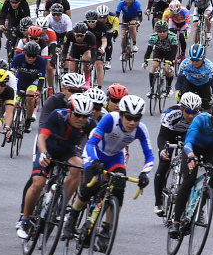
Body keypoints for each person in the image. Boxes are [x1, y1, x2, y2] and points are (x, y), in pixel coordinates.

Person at [62, 95, 154, 237]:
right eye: (129, 117)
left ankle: (107, 228)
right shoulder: (111, 119)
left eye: (137, 118)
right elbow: (91, 143)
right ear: (121, 114)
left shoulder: (140, 129)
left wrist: (144, 174)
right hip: (95, 152)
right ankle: (72, 217)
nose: (132, 122)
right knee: (91, 186)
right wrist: (94, 161)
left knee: (119, 188)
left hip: (116, 157)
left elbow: (149, 156)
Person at [17, 93, 92, 241]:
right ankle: (24, 221)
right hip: (48, 149)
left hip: (66, 152)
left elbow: (91, 145)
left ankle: (59, 209)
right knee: (38, 183)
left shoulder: (89, 124)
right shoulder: (57, 116)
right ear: (70, 111)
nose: (81, 119)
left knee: (79, 167)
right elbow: (42, 137)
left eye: (85, 116)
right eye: (78, 115)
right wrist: (44, 153)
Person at [167, 92, 213, 239]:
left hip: (212, 150)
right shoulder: (201, 119)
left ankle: (201, 208)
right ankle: (176, 221)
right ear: (212, 113)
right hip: (193, 148)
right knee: (189, 180)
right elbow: (188, 141)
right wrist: (190, 156)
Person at [151, 93, 203, 215]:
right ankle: (158, 202)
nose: (191, 115)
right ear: (182, 109)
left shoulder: (202, 118)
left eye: (194, 112)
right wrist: (163, 149)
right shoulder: (171, 114)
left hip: (189, 137)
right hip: (171, 135)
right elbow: (163, 136)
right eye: (188, 111)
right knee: (164, 163)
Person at [173, 44, 213, 110]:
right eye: (192, 60)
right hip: (189, 83)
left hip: (204, 85)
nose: (194, 63)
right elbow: (179, 80)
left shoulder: (210, 66)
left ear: (203, 58)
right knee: (185, 103)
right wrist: (178, 90)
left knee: (207, 107)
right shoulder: (185, 63)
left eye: (197, 60)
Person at [142, 20, 179, 96]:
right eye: (159, 31)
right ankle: (151, 89)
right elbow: (149, 50)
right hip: (159, 51)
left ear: (167, 30)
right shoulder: (153, 37)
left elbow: (174, 51)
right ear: (156, 31)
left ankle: (168, 88)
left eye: (164, 31)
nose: (162, 33)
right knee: (155, 65)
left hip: (169, 53)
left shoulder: (172, 37)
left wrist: (171, 63)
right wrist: (145, 61)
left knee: (167, 69)